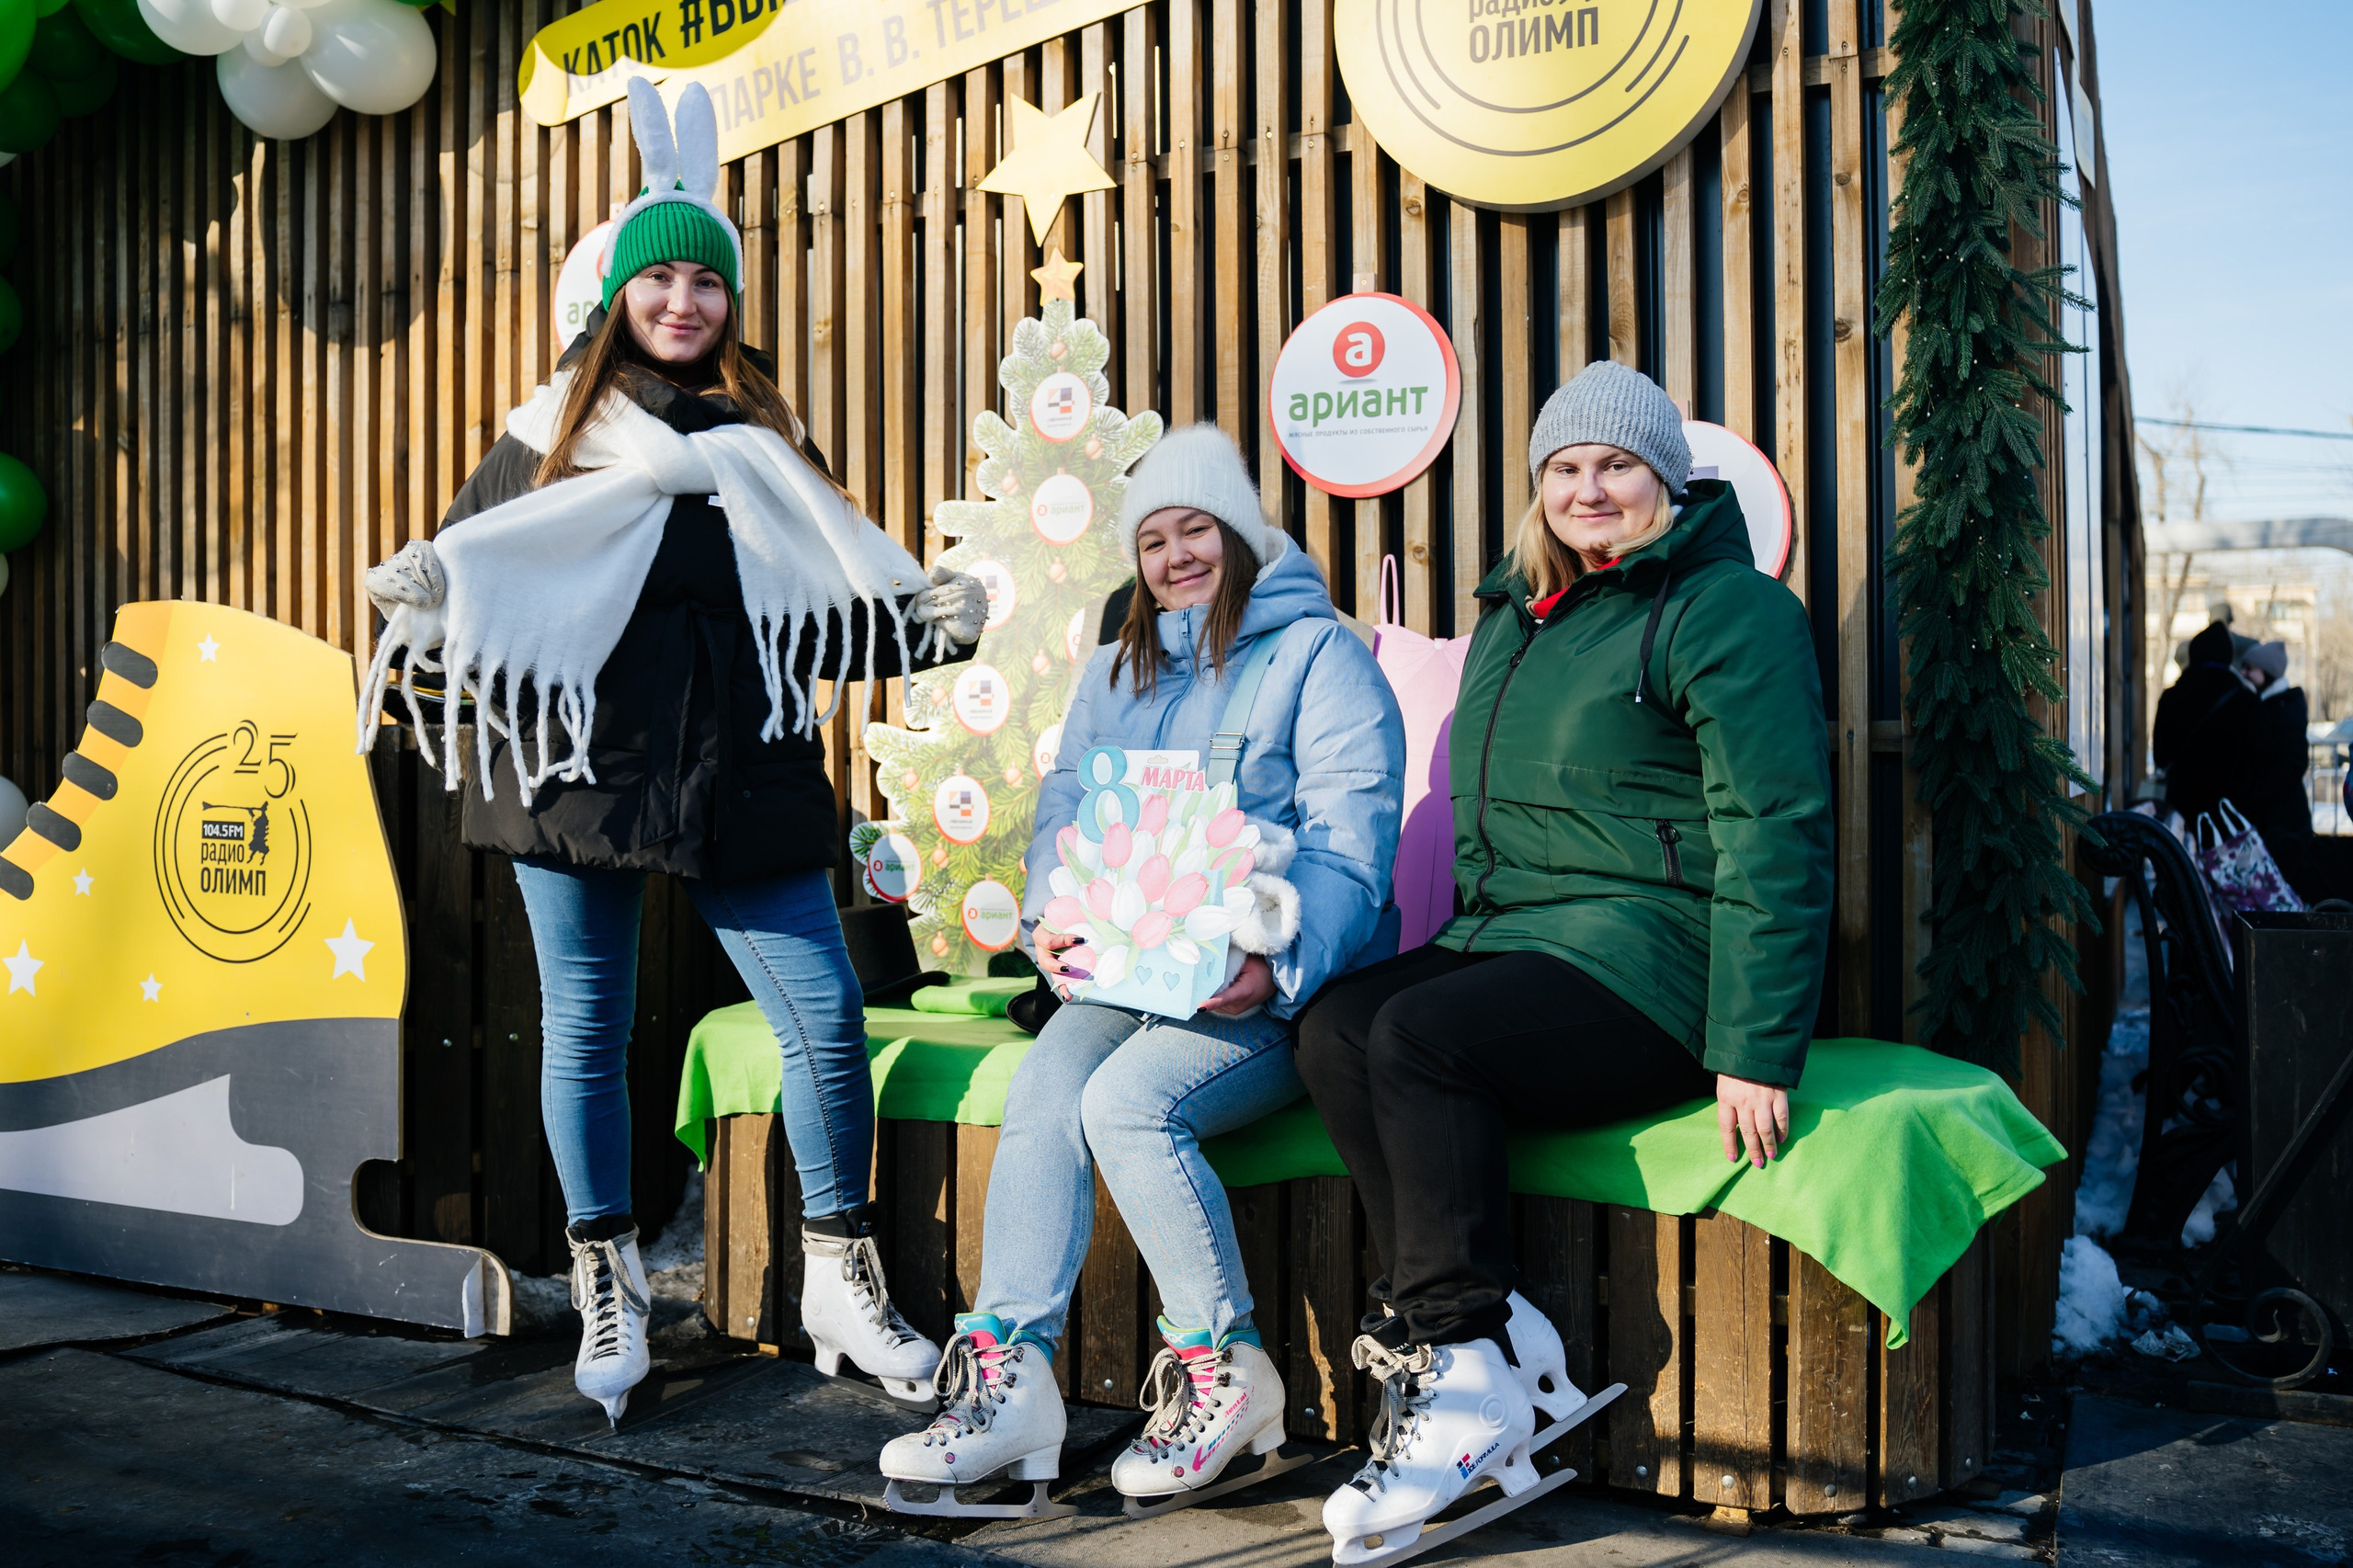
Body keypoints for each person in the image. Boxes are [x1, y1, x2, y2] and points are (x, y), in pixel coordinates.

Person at [358, 80, 988, 1426]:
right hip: (575, 766)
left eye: (708, 281)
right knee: (586, 1026)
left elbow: (829, 599)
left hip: (743, 767)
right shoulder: (550, 434)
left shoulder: (770, 440)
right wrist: (423, 598)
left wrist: (929, 621)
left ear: (731, 302)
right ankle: (609, 1277)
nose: (685, 300)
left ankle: (840, 1275)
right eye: (661, 277)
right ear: (618, 295)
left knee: (821, 1016)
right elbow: (470, 578)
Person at [1291, 360, 1833, 1561]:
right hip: (1516, 931)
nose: (1590, 489)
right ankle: (1469, 1336)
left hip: (1658, 955)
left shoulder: (1727, 609)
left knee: (1421, 1037)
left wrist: (1755, 1043)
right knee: (1335, 1025)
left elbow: (1776, 827)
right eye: (1566, 467)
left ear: (1666, 481)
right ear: (1540, 487)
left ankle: (1461, 1364)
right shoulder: (1518, 614)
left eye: (1617, 465)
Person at [878, 426, 1405, 1515]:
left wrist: (1274, 958)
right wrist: (1051, 918)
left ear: (1240, 534)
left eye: (1195, 529)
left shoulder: (1319, 655)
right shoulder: (1123, 664)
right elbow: (1070, 801)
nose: (1174, 557)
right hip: (1132, 974)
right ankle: (1011, 1376)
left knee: (1125, 1102)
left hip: (1270, 991)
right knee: (1045, 1084)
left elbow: (1350, 840)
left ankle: (1226, 1369)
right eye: (1153, 539)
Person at [2153, 620, 2265, 827]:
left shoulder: (2172, 697)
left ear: (2194, 654)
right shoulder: (2246, 700)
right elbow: (2258, 759)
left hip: (2183, 807)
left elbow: (2161, 756)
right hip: (2231, 813)